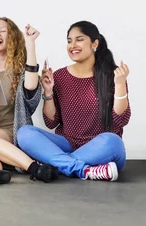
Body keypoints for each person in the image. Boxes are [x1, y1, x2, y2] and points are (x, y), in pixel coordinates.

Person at [18, 21, 131, 181]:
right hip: (67, 143)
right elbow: (51, 123)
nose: (73, 45)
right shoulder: (60, 76)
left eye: (79, 39)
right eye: (69, 40)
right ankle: (85, 170)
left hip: (101, 148)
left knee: (113, 141)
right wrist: (48, 91)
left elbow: (121, 120)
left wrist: (119, 84)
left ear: (95, 44)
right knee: (25, 133)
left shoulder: (112, 75)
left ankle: (54, 164)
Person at [0, 18, 58, 186]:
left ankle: (34, 168)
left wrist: (30, 43)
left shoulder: (20, 71)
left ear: (12, 38)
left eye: (2, 30)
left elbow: (30, 85)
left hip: (12, 133)